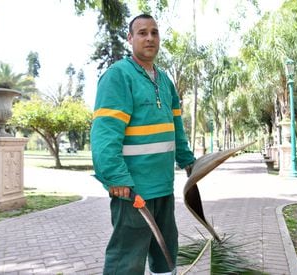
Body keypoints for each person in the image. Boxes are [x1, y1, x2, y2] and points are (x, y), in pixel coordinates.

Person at [90, 13, 195, 275]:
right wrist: (115, 177)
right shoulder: (118, 76)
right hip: (132, 189)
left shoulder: (165, 80)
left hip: (162, 186)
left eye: (154, 32)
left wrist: (187, 160)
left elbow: (175, 128)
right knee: (127, 259)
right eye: (142, 32)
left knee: (165, 253)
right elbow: (105, 134)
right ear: (130, 38)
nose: (149, 38)